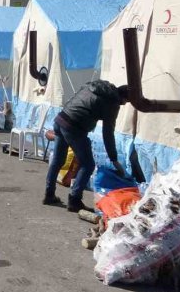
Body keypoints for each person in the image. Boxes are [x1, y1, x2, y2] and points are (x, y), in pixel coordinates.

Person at [43, 80, 129, 212]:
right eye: (126, 102)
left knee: (58, 160)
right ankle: (75, 200)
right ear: (124, 99)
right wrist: (113, 158)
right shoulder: (113, 102)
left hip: (60, 119)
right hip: (74, 127)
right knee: (88, 164)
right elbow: (108, 132)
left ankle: (49, 195)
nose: (124, 105)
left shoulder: (94, 86)